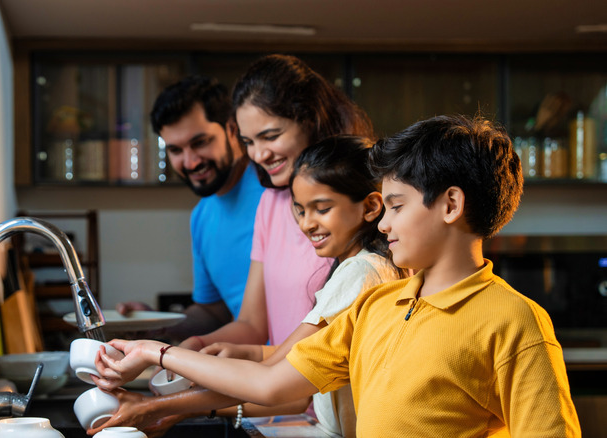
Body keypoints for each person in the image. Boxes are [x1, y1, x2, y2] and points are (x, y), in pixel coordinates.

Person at [95, 115, 581, 437]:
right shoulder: (377, 307)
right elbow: (270, 385)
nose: (383, 222)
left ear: (451, 205)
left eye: (395, 206)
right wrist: (157, 353)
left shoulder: (516, 323)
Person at [89, 54, 375, 437]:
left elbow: (290, 378)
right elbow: (267, 341)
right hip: (293, 414)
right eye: (249, 141)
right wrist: (197, 349)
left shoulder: (362, 256)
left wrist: (162, 393)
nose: (258, 154)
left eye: (270, 136)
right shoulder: (272, 203)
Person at [116, 76, 265, 341]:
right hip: (254, 369)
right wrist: (156, 323)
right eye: (175, 149)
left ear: (232, 130)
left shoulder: (274, 189)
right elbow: (214, 312)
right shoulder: (201, 217)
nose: (190, 161)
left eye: (200, 142)